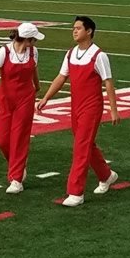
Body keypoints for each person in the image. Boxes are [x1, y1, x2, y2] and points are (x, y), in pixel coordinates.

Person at [35, 16, 118, 207]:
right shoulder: (70, 53)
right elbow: (61, 77)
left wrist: (114, 110)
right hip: (76, 106)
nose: (74, 31)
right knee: (86, 144)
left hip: (92, 106)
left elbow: (108, 83)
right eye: (73, 28)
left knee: (81, 147)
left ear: (88, 31)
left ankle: (75, 192)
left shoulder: (99, 56)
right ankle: (106, 175)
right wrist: (46, 97)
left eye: (78, 28)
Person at [0, 22, 43, 193]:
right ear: (27, 39)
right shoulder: (4, 51)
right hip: (4, 99)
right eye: (34, 39)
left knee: (20, 137)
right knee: (2, 140)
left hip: (25, 98)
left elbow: (34, 70)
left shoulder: (34, 53)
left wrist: (37, 87)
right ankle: (17, 165)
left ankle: (16, 179)